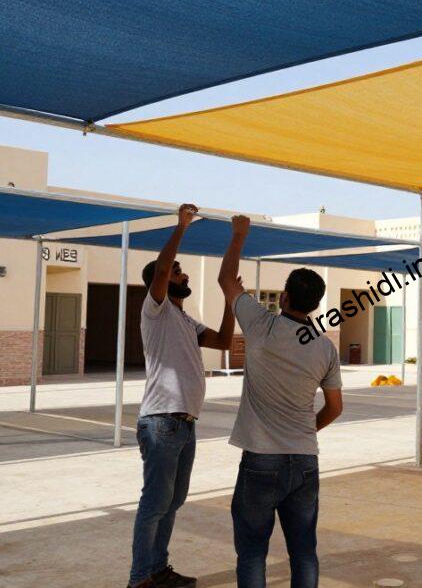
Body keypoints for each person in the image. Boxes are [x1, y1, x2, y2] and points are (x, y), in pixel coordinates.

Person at [220, 215, 344, 588]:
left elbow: (226, 280)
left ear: (285, 297)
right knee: (304, 550)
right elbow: (335, 407)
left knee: (253, 552)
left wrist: (239, 233)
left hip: (260, 461)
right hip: (305, 460)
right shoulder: (325, 347)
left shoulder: (261, 324)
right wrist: (307, 428)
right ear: (317, 305)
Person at [128, 204, 235, 588]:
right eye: (177, 270)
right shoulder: (154, 310)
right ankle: (140, 578)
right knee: (154, 504)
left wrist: (230, 298)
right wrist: (181, 227)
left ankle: (158, 569)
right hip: (161, 421)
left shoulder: (188, 321)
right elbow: (159, 269)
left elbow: (223, 342)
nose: (182, 272)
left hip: (184, 424)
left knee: (172, 503)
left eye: (179, 269)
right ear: (162, 281)